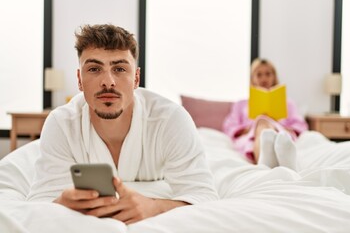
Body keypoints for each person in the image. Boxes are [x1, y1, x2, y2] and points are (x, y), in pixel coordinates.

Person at [27, 24, 218, 224]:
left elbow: (205, 198)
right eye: (94, 69)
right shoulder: (61, 123)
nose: (108, 82)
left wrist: (153, 207)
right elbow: (37, 205)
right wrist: (60, 204)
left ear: (136, 78)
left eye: (119, 69)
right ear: (79, 79)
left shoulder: (171, 119)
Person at [222, 58, 308, 167]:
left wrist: (276, 123)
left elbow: (300, 126)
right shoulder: (240, 104)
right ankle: (280, 159)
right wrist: (249, 128)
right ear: (252, 78)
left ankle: (266, 161)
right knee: (262, 123)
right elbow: (229, 127)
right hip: (250, 135)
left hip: (280, 131)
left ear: (274, 76)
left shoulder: (287, 103)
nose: (264, 78)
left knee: (274, 132)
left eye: (268, 74)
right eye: (259, 75)